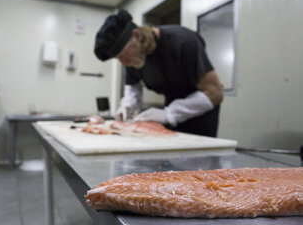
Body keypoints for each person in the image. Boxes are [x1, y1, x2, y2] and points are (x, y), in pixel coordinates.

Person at [94, 10, 223, 137]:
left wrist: (170, 114)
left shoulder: (182, 42)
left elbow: (215, 93)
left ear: (137, 35)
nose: (123, 63)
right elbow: (133, 87)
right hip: (171, 112)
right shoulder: (132, 59)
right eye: (118, 59)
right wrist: (127, 106)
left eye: (123, 55)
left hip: (200, 116)